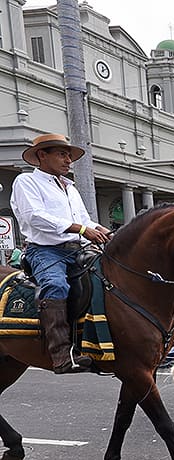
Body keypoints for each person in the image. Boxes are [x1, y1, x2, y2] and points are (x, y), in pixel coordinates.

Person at [10, 133, 112, 373]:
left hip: (78, 250)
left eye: (69, 155)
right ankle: (61, 355)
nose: (68, 160)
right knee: (56, 286)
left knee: (108, 281)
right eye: (62, 154)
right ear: (42, 156)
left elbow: (85, 219)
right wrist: (82, 229)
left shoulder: (70, 188)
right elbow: (34, 216)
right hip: (45, 251)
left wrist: (106, 232)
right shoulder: (26, 182)